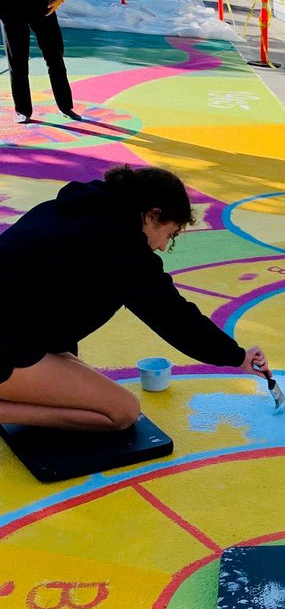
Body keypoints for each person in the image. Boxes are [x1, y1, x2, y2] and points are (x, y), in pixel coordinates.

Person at [0, 165, 269, 431]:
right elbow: (175, 317)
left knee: (77, 374)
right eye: (170, 233)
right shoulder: (121, 245)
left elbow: (43, 293)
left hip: (17, 332)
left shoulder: (78, 207)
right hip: (8, 342)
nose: (164, 245)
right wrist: (237, 356)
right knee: (122, 411)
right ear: (153, 215)